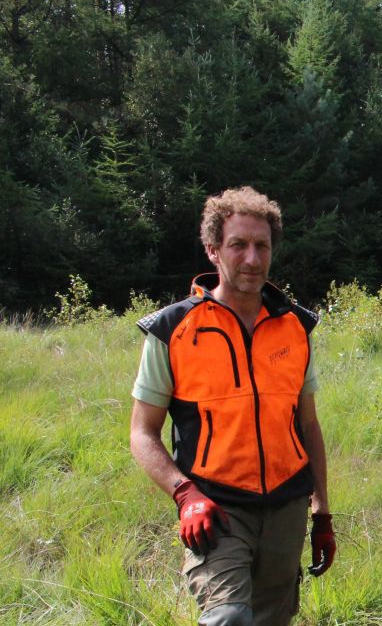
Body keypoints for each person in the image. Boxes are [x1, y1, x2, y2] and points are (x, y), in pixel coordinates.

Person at [130, 187, 335, 625]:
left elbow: (308, 426)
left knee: (270, 620)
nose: (252, 259)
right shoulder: (173, 330)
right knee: (229, 618)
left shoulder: (294, 326)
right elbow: (142, 433)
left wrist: (322, 512)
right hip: (215, 509)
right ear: (213, 251)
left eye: (262, 246)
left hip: (287, 506)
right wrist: (184, 495)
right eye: (238, 245)